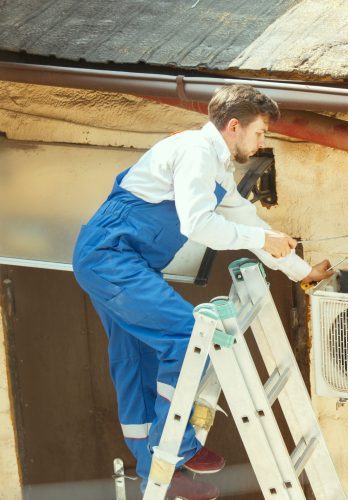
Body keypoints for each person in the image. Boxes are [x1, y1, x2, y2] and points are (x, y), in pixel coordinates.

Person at [72, 84, 332, 500]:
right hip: (110, 258)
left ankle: (155, 464)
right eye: (260, 133)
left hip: (125, 262)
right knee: (185, 338)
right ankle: (170, 452)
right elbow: (197, 225)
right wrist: (260, 240)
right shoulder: (194, 152)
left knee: (134, 354)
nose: (262, 141)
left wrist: (302, 273)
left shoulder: (216, 167)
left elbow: (251, 226)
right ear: (234, 126)